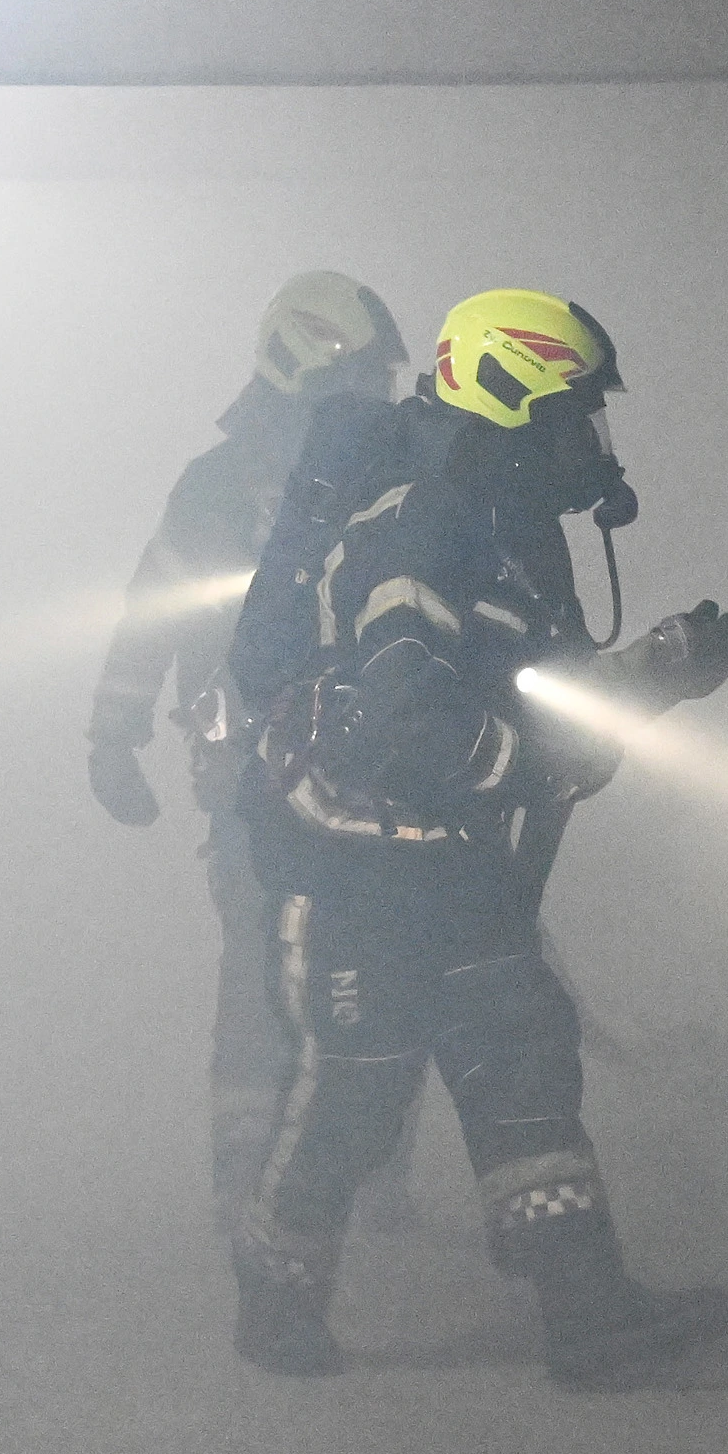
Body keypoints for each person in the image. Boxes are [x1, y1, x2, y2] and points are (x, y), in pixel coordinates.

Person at [223, 288, 728, 1385]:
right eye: (570, 418)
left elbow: (544, 695)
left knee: (522, 1058)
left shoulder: (509, 534)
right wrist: (525, 769)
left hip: (454, 861)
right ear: (510, 400)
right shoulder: (419, 524)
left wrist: (670, 663)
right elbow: (405, 722)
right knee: (355, 1094)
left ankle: (588, 1314)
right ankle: (274, 1294)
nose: (587, 446)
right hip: (354, 871)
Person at [85, 271, 427, 1243]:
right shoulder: (220, 486)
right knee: (264, 976)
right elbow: (153, 610)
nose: (373, 391)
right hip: (254, 782)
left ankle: (367, 1174)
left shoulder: (402, 469)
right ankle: (246, 1169)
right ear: (305, 369)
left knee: (389, 968)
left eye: (377, 374)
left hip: (385, 766)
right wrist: (114, 732)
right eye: (356, 373)